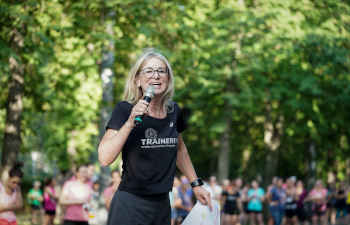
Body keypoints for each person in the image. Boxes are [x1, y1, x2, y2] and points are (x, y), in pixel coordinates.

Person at [98, 48, 212, 225]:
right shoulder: (125, 110)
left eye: (161, 71)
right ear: (137, 80)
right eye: (149, 71)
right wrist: (129, 123)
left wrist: (195, 184)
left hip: (162, 206)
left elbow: (180, 149)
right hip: (130, 205)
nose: (156, 76)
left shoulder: (174, 111)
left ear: (168, 78)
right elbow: (104, 158)